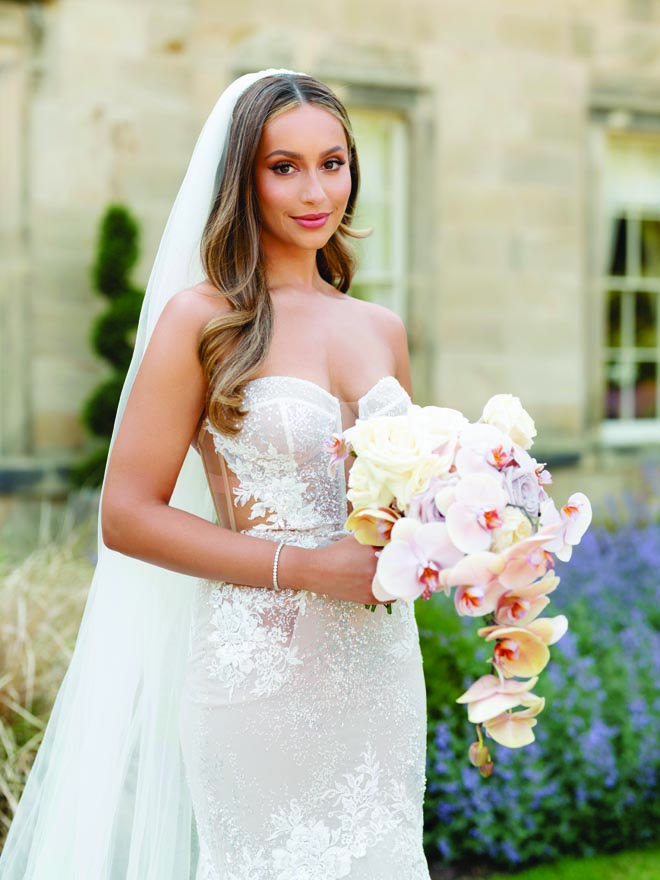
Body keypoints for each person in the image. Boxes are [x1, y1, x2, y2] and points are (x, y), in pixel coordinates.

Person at [0, 70, 430, 879]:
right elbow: (125, 513)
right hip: (258, 677)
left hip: (379, 674)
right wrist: (304, 567)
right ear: (243, 178)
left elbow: (400, 506)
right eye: (284, 166)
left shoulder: (381, 328)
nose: (315, 191)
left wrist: (468, 546)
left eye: (332, 163)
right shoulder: (204, 320)